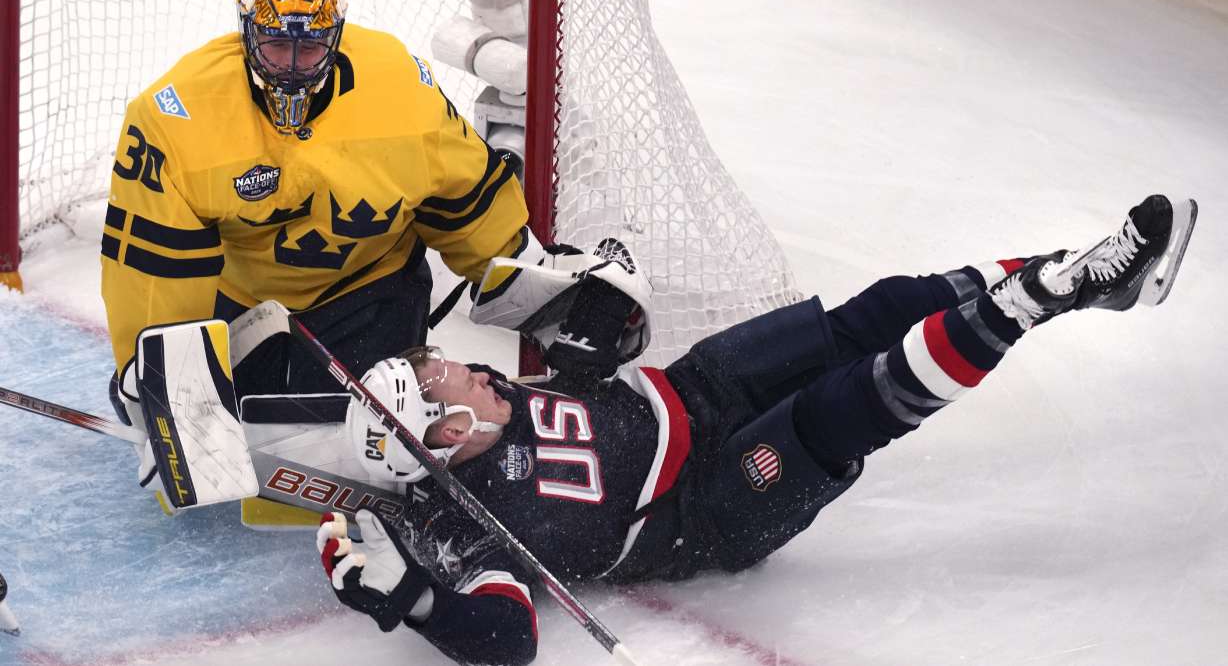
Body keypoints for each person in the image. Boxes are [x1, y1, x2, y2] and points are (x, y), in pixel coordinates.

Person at [315, 195, 1196, 666]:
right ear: (441, 436)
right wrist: (414, 599)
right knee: (849, 404)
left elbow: (585, 382)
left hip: (693, 391)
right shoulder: (463, 526)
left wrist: (597, 325)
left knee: (879, 309)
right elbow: (507, 643)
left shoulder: (477, 405)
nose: (453, 365)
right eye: (434, 379)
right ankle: (1035, 300)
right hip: (704, 508)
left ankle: (1083, 275)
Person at [99, 0, 574, 503]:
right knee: (231, 430)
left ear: (336, 36)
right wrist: (161, 384)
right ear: (247, 31)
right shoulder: (174, 119)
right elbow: (154, 270)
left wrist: (539, 292)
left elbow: (466, 201)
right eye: (276, 44)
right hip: (242, 300)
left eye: (310, 48)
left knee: (381, 448)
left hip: (369, 289)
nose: (292, 65)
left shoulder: (398, 89)